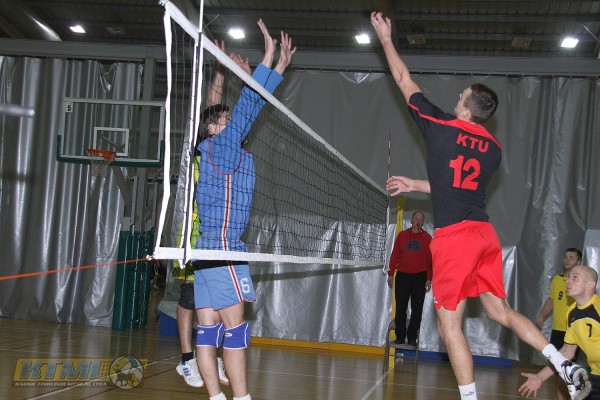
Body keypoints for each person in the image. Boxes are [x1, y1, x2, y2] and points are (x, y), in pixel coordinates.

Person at [370, 11, 589, 400]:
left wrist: (386, 39)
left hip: (454, 240)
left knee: (448, 327)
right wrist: (416, 184)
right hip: (484, 236)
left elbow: (403, 79)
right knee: (500, 313)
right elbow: (458, 188)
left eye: (460, 98)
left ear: (467, 109)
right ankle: (562, 361)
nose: (455, 100)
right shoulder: (494, 149)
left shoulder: (441, 127)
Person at [192, 20, 296, 400]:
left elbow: (248, 105)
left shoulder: (214, 149)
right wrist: (269, 57)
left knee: (207, 333)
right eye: (224, 119)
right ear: (213, 128)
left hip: (205, 252)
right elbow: (252, 102)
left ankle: (216, 397)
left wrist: (276, 66)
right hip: (224, 250)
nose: (230, 119)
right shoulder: (223, 147)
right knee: (235, 334)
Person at [174, 40, 247, 388]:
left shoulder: (230, 151)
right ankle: (187, 360)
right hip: (197, 232)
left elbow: (227, 114)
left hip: (219, 235)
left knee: (211, 307)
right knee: (190, 298)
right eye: (224, 120)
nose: (229, 123)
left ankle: (207, 355)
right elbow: (210, 111)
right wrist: (220, 73)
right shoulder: (208, 148)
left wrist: (228, 75)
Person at [519, 265, 597, 400]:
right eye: (569, 277)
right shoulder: (572, 313)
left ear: (590, 285)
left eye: (575, 278)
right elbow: (567, 351)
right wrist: (540, 377)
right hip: (596, 376)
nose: (568, 280)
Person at [535, 248, 583, 399]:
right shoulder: (557, 280)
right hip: (558, 330)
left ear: (579, 262)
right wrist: (542, 315)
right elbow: (552, 300)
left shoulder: (581, 284)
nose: (567, 260)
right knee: (558, 366)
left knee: (566, 367)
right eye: (565, 257)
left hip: (574, 332)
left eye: (571, 258)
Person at [387, 210, 432, 347]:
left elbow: (430, 260)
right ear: (411, 220)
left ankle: (412, 337)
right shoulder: (402, 235)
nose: (418, 221)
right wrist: (390, 273)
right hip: (403, 276)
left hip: (420, 277)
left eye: (420, 219)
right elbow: (395, 255)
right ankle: (400, 336)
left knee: (417, 309)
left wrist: (429, 278)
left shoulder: (427, 238)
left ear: (423, 222)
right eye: (416, 218)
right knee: (401, 307)